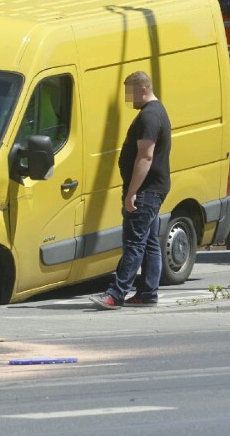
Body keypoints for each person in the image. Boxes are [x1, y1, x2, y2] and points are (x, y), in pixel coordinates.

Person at [89, 71, 171, 310]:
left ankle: (115, 294)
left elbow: (145, 157)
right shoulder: (155, 112)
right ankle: (147, 293)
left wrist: (132, 192)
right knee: (150, 243)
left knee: (134, 242)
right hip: (154, 188)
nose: (129, 99)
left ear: (143, 89)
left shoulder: (149, 116)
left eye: (130, 93)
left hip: (146, 190)